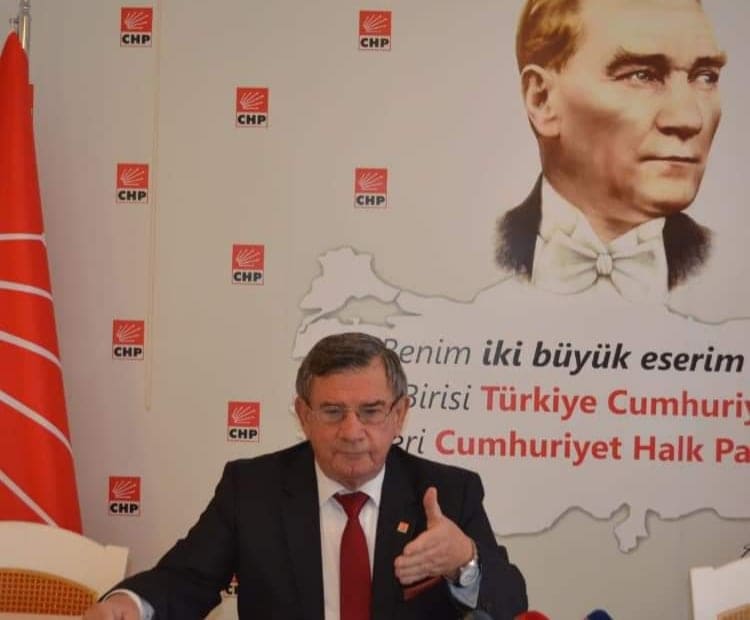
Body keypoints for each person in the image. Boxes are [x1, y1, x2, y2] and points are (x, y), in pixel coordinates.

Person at [83, 332, 527, 619]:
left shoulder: (448, 492)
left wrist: (465, 561)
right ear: (303, 414)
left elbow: (512, 604)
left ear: (400, 414)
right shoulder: (252, 489)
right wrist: (128, 604)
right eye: (332, 412)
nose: (352, 431)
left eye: (371, 411)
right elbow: (187, 578)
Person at [495, 0, 726, 303]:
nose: (690, 119)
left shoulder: (727, 267)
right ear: (542, 100)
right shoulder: (481, 255)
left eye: (706, 76)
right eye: (642, 75)